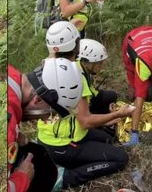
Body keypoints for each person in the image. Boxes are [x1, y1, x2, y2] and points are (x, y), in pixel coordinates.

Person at [42, 24, 133, 188]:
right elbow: (85, 121)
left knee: (107, 139)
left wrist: (107, 120)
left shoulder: (46, 67)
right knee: (120, 158)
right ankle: (66, 178)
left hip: (52, 135)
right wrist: (118, 114)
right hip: (62, 144)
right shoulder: (75, 76)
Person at [8, 58, 83, 192]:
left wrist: (16, 131)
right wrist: (21, 178)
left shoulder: (12, 77)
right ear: (39, 98)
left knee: (40, 156)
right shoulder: (9, 119)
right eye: (49, 113)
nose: (45, 119)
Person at [121, 25, 152, 146]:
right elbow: (139, 99)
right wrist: (135, 132)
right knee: (140, 92)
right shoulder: (143, 65)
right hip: (132, 41)